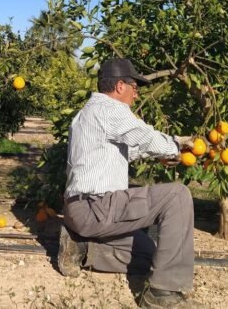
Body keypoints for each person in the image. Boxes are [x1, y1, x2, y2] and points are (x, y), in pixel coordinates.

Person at [58, 58, 198, 308]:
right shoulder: (109, 109)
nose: (137, 93)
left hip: (82, 210)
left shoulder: (88, 113)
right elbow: (145, 137)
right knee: (177, 195)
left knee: (150, 256)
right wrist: (176, 145)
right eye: (135, 86)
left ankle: (83, 247)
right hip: (96, 206)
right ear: (120, 86)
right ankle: (161, 294)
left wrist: (163, 153)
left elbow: (126, 151)